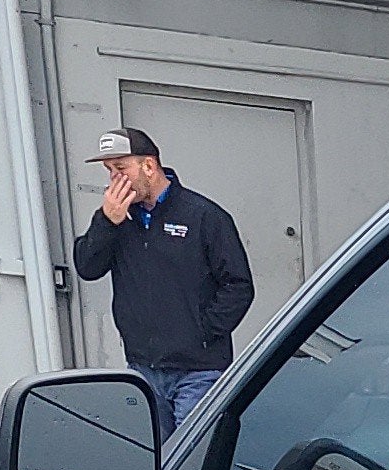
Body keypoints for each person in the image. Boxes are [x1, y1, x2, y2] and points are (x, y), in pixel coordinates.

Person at [71, 127, 253, 433]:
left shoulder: (203, 216)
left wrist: (204, 331)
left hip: (198, 369)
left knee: (192, 458)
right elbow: (88, 267)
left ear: (149, 166)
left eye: (121, 168)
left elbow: (238, 284)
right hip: (143, 367)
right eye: (109, 171)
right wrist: (107, 222)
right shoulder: (116, 219)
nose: (115, 180)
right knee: (158, 461)